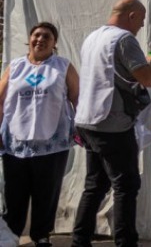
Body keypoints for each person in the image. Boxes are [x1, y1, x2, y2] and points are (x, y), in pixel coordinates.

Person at [73, 0, 151, 247]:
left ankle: (79, 240)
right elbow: (146, 78)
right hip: (111, 121)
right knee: (126, 185)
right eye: (142, 20)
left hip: (88, 119)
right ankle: (126, 242)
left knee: (95, 184)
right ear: (132, 16)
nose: (141, 25)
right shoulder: (124, 40)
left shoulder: (93, 37)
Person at [0, 23, 79, 247]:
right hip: (16, 142)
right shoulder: (15, 66)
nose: (40, 39)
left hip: (52, 143)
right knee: (15, 191)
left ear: (54, 43)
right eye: (36, 35)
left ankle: (41, 235)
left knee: (46, 191)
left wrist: (80, 128)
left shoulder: (62, 66)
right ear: (29, 39)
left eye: (47, 36)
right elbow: (0, 98)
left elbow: (77, 96)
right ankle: (12, 234)